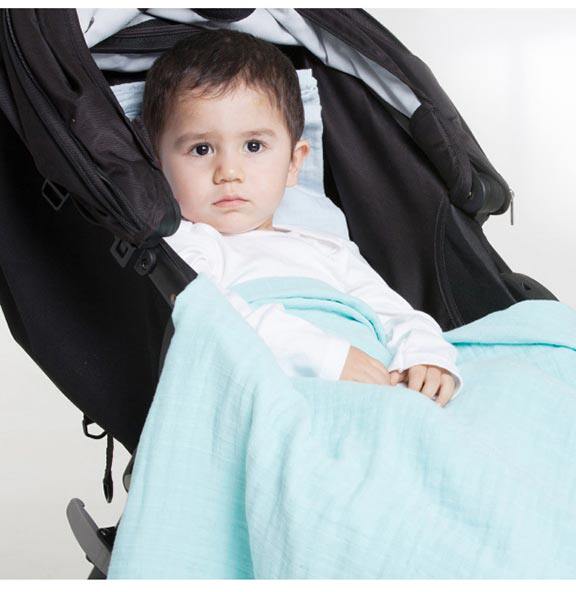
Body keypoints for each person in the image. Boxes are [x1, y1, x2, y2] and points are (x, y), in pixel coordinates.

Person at [141, 29, 462, 406]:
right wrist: (326, 357)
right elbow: (215, 317)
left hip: (375, 379)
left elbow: (393, 314)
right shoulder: (186, 245)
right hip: (285, 393)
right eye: (201, 149)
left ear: (294, 163)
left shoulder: (327, 248)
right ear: (159, 166)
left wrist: (427, 356)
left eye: (253, 146)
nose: (229, 172)